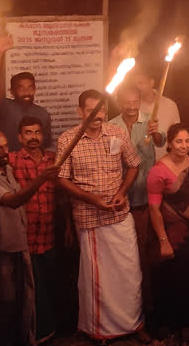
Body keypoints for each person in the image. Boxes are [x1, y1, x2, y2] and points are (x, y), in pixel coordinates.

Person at [56, 89, 149, 344]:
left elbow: (134, 164)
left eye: (101, 110)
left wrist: (121, 192)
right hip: (90, 218)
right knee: (98, 279)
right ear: (80, 112)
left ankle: (133, 324)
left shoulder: (117, 133)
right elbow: (61, 178)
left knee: (130, 273)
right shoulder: (68, 139)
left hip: (120, 215)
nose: (98, 115)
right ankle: (100, 330)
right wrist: (92, 199)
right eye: (91, 110)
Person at [0, 127, 60, 346]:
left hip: (19, 246)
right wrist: (42, 178)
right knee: (5, 307)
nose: (4, 151)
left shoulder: (6, 170)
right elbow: (13, 201)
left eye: (5, 146)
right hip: (1, 253)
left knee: (23, 303)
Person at [108, 83, 165, 318]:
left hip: (144, 198)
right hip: (120, 198)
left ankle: (148, 309)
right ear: (119, 102)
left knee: (143, 252)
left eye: (135, 102)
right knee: (123, 254)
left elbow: (161, 142)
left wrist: (156, 133)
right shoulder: (111, 125)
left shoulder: (150, 121)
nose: (131, 107)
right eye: (127, 102)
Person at [147, 124, 189, 339]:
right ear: (169, 143)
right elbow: (154, 209)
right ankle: (170, 328)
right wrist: (163, 241)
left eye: (187, 141)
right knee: (171, 280)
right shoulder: (158, 171)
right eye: (179, 141)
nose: (184, 145)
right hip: (170, 233)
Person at [8, 116, 63, 344]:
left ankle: (54, 330)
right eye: (28, 133)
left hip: (51, 235)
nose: (33, 137)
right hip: (26, 236)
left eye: (37, 132)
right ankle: (38, 333)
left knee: (52, 284)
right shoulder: (11, 160)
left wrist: (68, 227)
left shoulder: (54, 160)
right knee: (33, 289)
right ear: (20, 137)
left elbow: (62, 197)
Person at [0, 33, 53, 150]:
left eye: (30, 87)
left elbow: (47, 145)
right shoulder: (6, 107)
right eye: (21, 88)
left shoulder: (43, 113)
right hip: (8, 162)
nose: (26, 92)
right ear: (12, 91)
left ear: (35, 89)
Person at [134, 65, 181, 161]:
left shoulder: (170, 105)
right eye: (135, 84)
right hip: (142, 163)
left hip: (167, 161)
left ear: (151, 82)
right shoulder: (133, 108)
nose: (138, 87)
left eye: (141, 83)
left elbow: (178, 134)